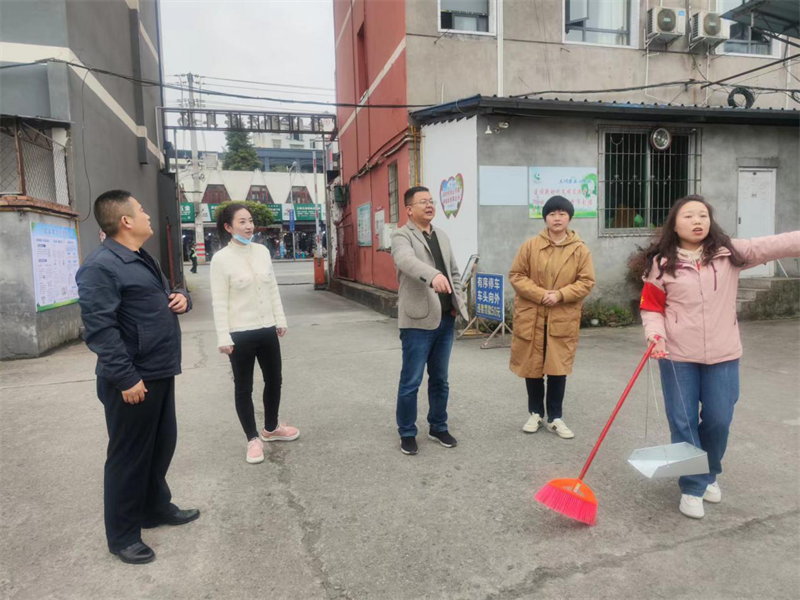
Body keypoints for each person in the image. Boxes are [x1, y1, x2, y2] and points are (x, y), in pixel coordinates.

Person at [640, 195, 800, 520]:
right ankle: (692, 487)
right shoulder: (662, 263)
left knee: (718, 420)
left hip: (724, 354)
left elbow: (776, 244)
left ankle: (708, 472)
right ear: (675, 225)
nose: (697, 221)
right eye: (688, 216)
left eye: (703, 215)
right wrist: (655, 335)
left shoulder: (730, 253)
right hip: (677, 355)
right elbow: (652, 307)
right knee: (683, 422)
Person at [76, 190, 199, 565]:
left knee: (161, 445)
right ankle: (123, 536)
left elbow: (166, 291)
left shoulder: (141, 257)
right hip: (133, 378)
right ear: (126, 221)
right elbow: (100, 331)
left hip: (159, 369)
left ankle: (154, 508)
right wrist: (126, 377)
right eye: (141, 210)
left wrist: (181, 297)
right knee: (128, 457)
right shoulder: (101, 267)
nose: (147, 214)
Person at [210, 203, 298, 465]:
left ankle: (271, 428)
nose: (249, 226)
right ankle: (252, 439)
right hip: (239, 334)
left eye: (250, 221)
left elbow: (272, 289)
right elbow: (219, 302)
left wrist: (279, 319)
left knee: (274, 380)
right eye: (242, 222)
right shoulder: (221, 259)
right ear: (228, 227)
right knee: (243, 387)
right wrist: (223, 337)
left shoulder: (262, 252)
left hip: (266, 329)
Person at [391, 186, 469, 456]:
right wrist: (432, 275)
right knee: (410, 381)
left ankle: (438, 426)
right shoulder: (402, 235)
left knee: (440, 380)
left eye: (431, 201)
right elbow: (405, 261)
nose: (429, 205)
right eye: (422, 201)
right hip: (417, 321)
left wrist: (458, 301)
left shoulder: (441, 236)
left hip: (445, 320)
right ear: (409, 209)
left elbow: (454, 272)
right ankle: (407, 432)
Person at [509, 195, 595, 439]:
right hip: (532, 316)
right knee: (533, 367)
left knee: (558, 368)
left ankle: (555, 417)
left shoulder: (580, 249)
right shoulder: (530, 246)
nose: (557, 218)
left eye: (562, 214)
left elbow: (586, 281)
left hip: (562, 316)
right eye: (552, 214)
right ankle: (535, 413)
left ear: (569, 218)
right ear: (545, 218)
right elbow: (516, 275)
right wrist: (540, 294)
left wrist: (560, 295)